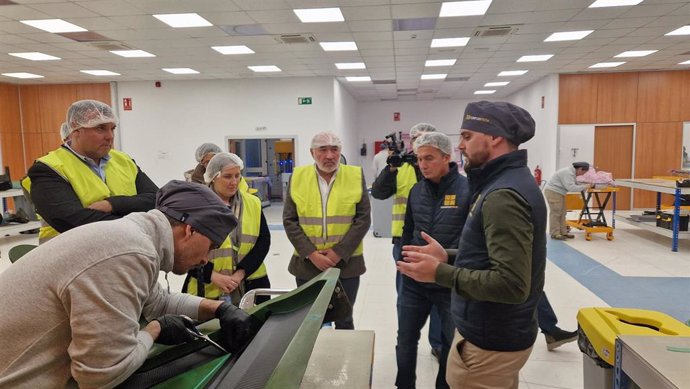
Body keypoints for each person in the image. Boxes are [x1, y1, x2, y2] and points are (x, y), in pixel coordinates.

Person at [0, 180, 258, 388]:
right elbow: (101, 376)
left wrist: (219, 309)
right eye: (211, 246)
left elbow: (158, 301)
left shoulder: (130, 236)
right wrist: (155, 330)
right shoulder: (129, 253)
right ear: (190, 230)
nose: (205, 259)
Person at [398, 101, 547, 389]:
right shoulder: (505, 182)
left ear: (494, 137)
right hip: (496, 331)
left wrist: (440, 272)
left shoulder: (502, 194)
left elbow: (511, 284)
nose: (461, 146)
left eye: (467, 136)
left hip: (491, 339)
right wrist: (450, 257)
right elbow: (489, 258)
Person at [25, 99, 158, 244]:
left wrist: (113, 204)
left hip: (127, 250)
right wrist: (141, 225)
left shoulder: (123, 160)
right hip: (73, 255)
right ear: (75, 128)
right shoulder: (49, 168)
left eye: (112, 129)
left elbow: (156, 199)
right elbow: (75, 220)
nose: (110, 136)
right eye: (100, 128)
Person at [396, 132, 470, 389]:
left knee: (450, 342)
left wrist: (450, 263)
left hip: (448, 281)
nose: (423, 164)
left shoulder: (467, 190)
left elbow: (473, 240)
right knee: (405, 339)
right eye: (419, 158)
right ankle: (404, 384)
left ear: (447, 158)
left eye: (429, 158)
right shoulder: (417, 190)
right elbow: (408, 229)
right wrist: (403, 258)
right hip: (414, 282)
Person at [283, 131, 371, 329]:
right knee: (310, 320)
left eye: (335, 149)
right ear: (312, 152)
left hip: (346, 264)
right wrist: (312, 254)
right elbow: (290, 220)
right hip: (307, 264)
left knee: (344, 318)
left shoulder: (354, 175)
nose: (329, 155)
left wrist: (338, 253)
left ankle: (343, 359)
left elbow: (363, 219)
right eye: (323, 149)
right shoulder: (298, 176)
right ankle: (313, 360)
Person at [371, 123, 445, 359]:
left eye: (425, 140)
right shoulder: (400, 166)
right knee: (407, 296)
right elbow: (380, 192)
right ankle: (406, 344)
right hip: (404, 241)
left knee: (439, 294)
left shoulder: (440, 168)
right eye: (415, 140)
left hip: (437, 240)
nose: (419, 144)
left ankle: (439, 343)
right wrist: (391, 167)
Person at [183, 152, 272, 305]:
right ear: (213, 177)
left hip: (250, 283)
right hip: (207, 287)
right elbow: (183, 250)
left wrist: (240, 274)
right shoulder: (196, 206)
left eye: (237, 175)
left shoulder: (253, 203)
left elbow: (263, 241)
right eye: (227, 176)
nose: (234, 182)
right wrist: (212, 275)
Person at [544, 162, 591, 240]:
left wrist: (584, 184)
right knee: (556, 213)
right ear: (580, 169)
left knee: (563, 213)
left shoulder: (571, 173)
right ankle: (555, 233)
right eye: (583, 172)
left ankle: (563, 232)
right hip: (554, 192)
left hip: (559, 193)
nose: (582, 175)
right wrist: (585, 186)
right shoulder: (568, 173)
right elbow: (571, 187)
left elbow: (575, 183)